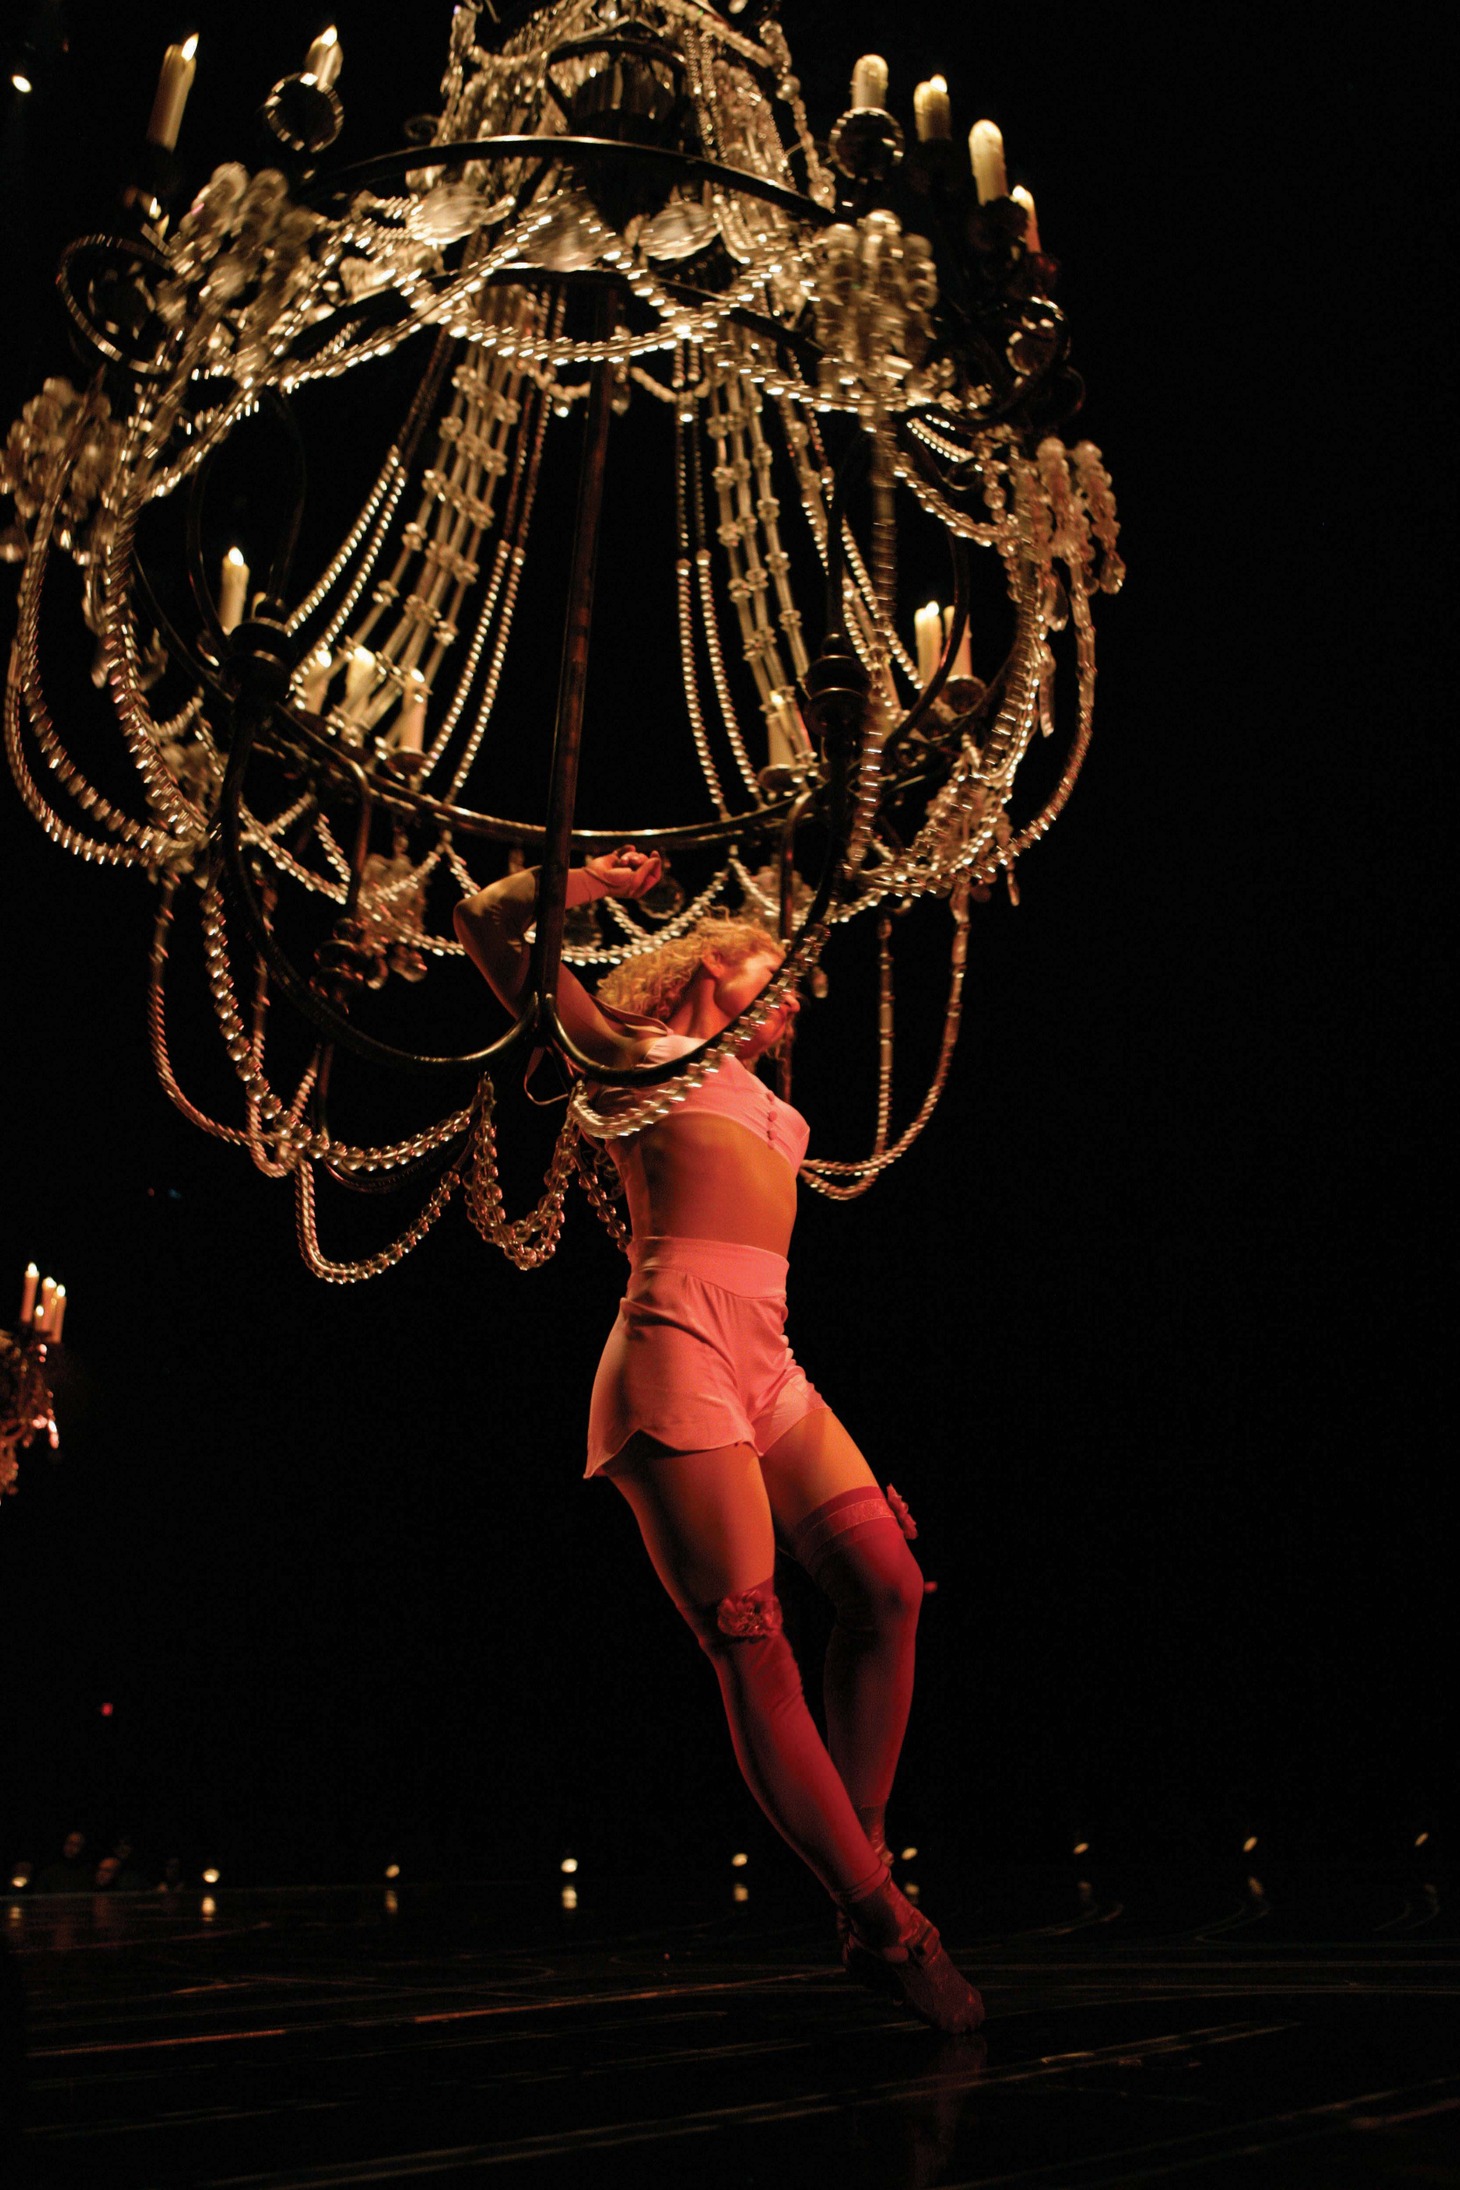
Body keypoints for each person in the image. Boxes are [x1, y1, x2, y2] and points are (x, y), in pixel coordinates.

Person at [455, 846, 982, 2034]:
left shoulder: (780, 1112)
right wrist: (591, 882)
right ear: (707, 964)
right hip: (673, 1346)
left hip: (768, 1356)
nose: (792, 997)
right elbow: (486, 918)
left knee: (887, 1587)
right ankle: (890, 1927)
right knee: (755, 1642)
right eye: (774, 972)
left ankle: (859, 1873)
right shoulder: (629, 1056)